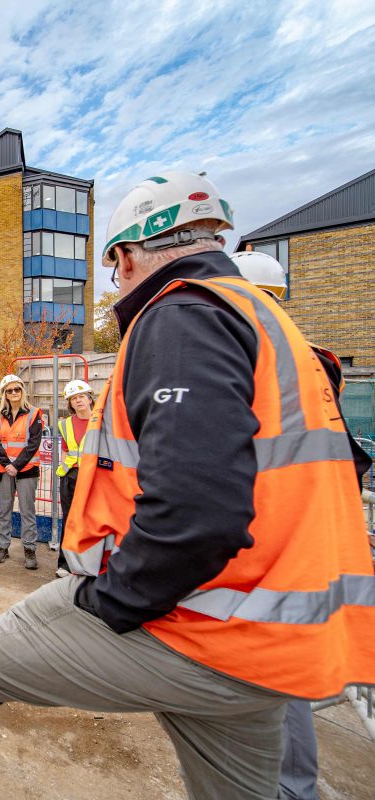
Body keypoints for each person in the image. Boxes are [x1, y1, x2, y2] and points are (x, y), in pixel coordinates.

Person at [0, 172, 375, 800]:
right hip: (262, 639)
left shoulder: (182, 314)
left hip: (196, 624)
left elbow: (198, 508)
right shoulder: (276, 328)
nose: (118, 285)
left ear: (126, 255)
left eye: (114, 270)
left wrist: (117, 600)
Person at [231, 249, 374, 800]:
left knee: (280, 668)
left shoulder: (272, 358)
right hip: (302, 525)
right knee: (274, 663)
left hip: (282, 530)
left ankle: (289, 786)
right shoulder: (315, 359)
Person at [0, 374, 43, 569]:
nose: (13, 393)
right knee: (4, 510)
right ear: (4, 393)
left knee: (28, 510)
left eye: (17, 389)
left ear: (22, 390)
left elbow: (33, 443)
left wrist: (16, 465)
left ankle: (29, 548)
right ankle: (3, 547)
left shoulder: (34, 413)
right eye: (9, 390)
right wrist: (6, 464)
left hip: (26, 469)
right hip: (4, 469)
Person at [54, 379, 94, 578]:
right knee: (69, 520)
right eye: (73, 399)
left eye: (81, 397)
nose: (78, 401)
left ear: (89, 399)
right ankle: (65, 563)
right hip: (71, 477)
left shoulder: (101, 421)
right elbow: (65, 450)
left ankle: (88, 563)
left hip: (94, 478)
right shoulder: (66, 424)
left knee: (91, 521)